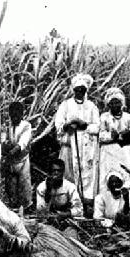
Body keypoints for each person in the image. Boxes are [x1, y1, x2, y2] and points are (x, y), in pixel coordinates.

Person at [0, 161, 102, 257]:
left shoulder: (10, 220)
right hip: (20, 251)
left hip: (37, 240)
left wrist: (5, 235)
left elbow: (26, 243)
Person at [55, 73, 100, 203]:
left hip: (86, 150)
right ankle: (67, 204)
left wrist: (84, 125)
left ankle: (85, 204)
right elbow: (58, 125)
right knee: (68, 176)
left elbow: (97, 127)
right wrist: (67, 125)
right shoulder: (66, 105)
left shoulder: (92, 107)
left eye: (83, 90)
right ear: (73, 90)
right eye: (77, 89)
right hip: (69, 146)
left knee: (86, 178)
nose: (80, 92)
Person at [99, 88, 130, 210]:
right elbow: (101, 136)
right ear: (108, 104)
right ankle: (108, 207)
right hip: (109, 154)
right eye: (112, 103)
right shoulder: (104, 117)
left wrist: (121, 136)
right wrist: (112, 136)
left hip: (125, 153)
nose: (115, 105)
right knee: (109, 177)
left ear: (122, 103)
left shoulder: (129, 118)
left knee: (127, 176)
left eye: (117, 102)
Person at [2, 102, 32, 208]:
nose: (14, 117)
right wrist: (5, 145)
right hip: (11, 160)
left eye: (17, 115)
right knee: (11, 185)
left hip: (22, 160)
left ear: (21, 114)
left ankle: (27, 207)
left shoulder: (26, 126)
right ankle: (13, 205)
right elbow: (3, 139)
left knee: (24, 184)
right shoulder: (7, 125)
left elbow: (23, 142)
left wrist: (13, 150)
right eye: (12, 115)